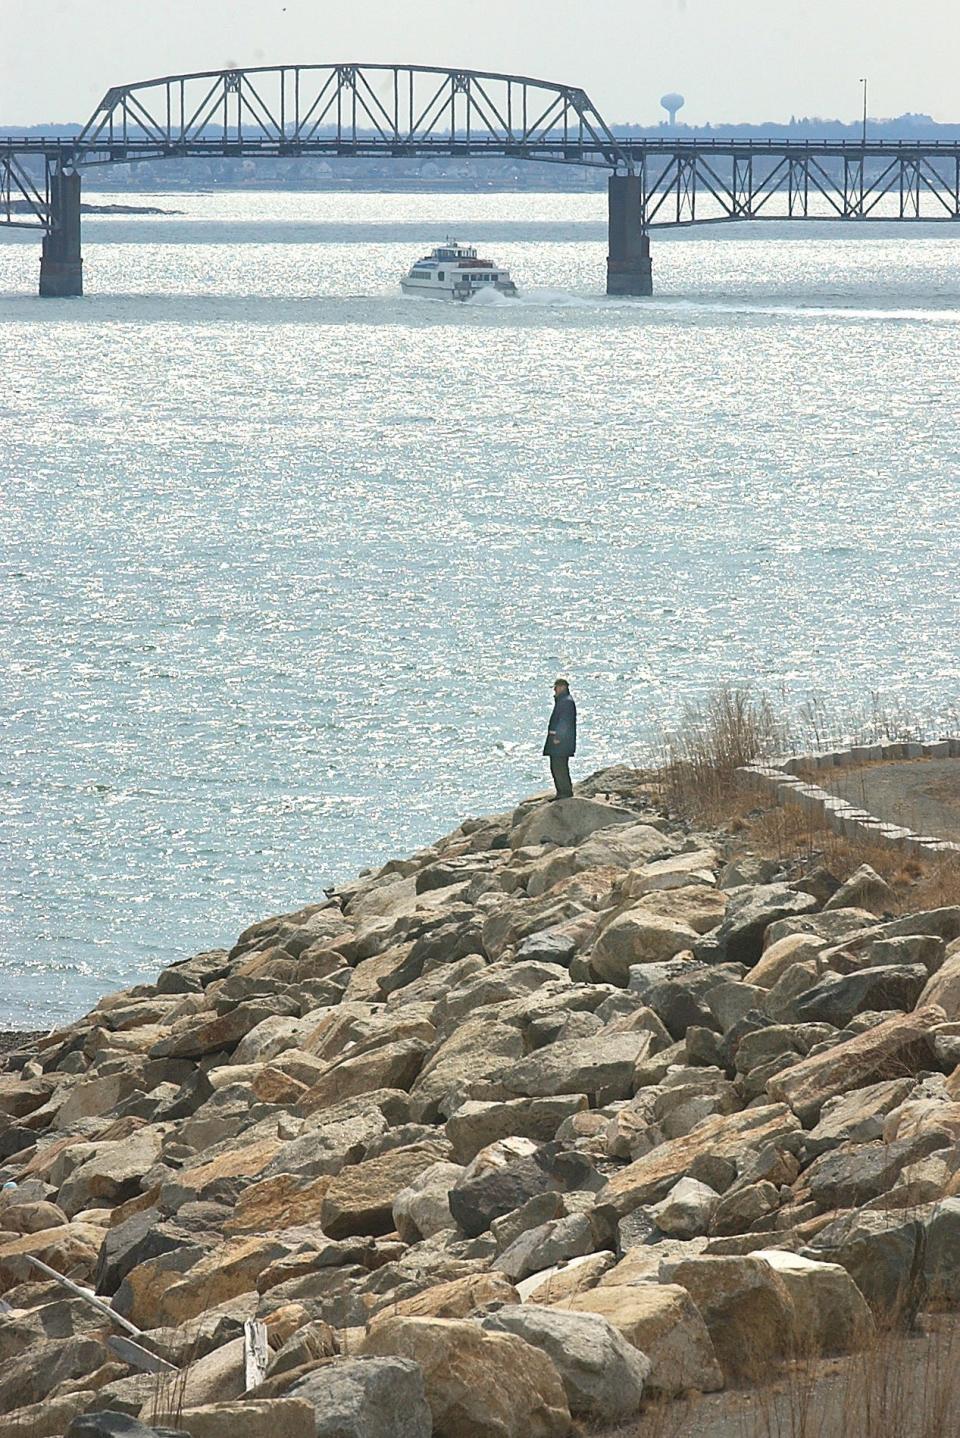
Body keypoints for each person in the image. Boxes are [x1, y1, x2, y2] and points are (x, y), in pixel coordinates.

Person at [543, 678, 577, 800]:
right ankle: (561, 791)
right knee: (556, 766)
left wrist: (558, 737)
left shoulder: (566, 702)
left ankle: (565, 792)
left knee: (559, 767)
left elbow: (564, 722)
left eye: (556, 687)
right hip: (560, 741)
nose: (554, 690)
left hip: (561, 742)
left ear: (562, 687)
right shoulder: (563, 701)